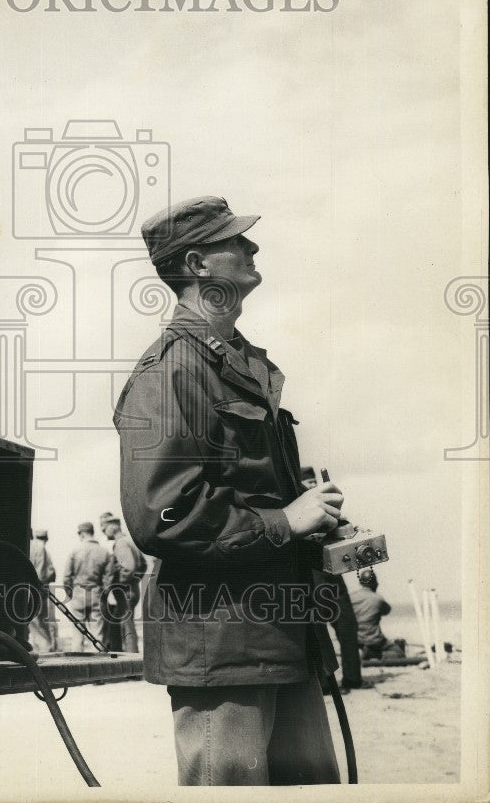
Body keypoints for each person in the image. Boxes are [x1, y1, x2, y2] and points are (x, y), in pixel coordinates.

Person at [114, 195, 344, 786]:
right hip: (222, 646)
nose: (252, 247)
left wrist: (312, 518)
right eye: (235, 240)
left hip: (277, 634)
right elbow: (160, 514)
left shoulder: (236, 363)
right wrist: (285, 523)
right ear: (197, 264)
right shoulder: (171, 370)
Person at [299, 467, 364, 692]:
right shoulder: (299, 508)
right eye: (305, 482)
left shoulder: (327, 506)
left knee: (347, 626)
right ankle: (327, 684)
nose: (310, 485)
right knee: (318, 630)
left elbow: (347, 530)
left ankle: (353, 679)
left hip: (333, 577)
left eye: (312, 481)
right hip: (312, 577)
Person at [62, 522, 113, 651]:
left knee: (77, 635)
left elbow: (67, 576)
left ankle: (76, 668)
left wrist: (70, 594)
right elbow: (108, 579)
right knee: (98, 635)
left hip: (78, 594)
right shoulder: (104, 552)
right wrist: (104, 596)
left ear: (83, 534)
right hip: (97, 594)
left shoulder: (75, 551)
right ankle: (99, 667)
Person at [101, 515, 146, 654]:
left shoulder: (121, 543)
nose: (103, 532)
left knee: (126, 627)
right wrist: (135, 581)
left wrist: (119, 584)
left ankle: (131, 663)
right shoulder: (129, 541)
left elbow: (129, 567)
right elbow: (143, 565)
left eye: (104, 528)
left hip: (125, 592)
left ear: (113, 527)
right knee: (125, 624)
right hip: (131, 590)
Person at [350, 568, 398, 659]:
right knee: (398, 652)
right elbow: (387, 610)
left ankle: (364, 652)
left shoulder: (351, 597)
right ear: (374, 583)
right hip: (373, 640)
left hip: (356, 640)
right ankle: (372, 654)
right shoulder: (377, 599)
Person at [29, 528, 57, 653]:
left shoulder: (32, 546)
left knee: (35, 623)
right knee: (39, 623)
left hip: (30, 590)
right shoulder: (40, 548)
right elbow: (41, 573)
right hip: (38, 589)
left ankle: (43, 650)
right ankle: (46, 650)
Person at [99, 511, 123, 651]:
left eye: (104, 525)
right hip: (108, 589)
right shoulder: (106, 543)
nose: (102, 529)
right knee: (110, 623)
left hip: (111, 588)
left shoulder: (114, 543)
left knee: (114, 622)